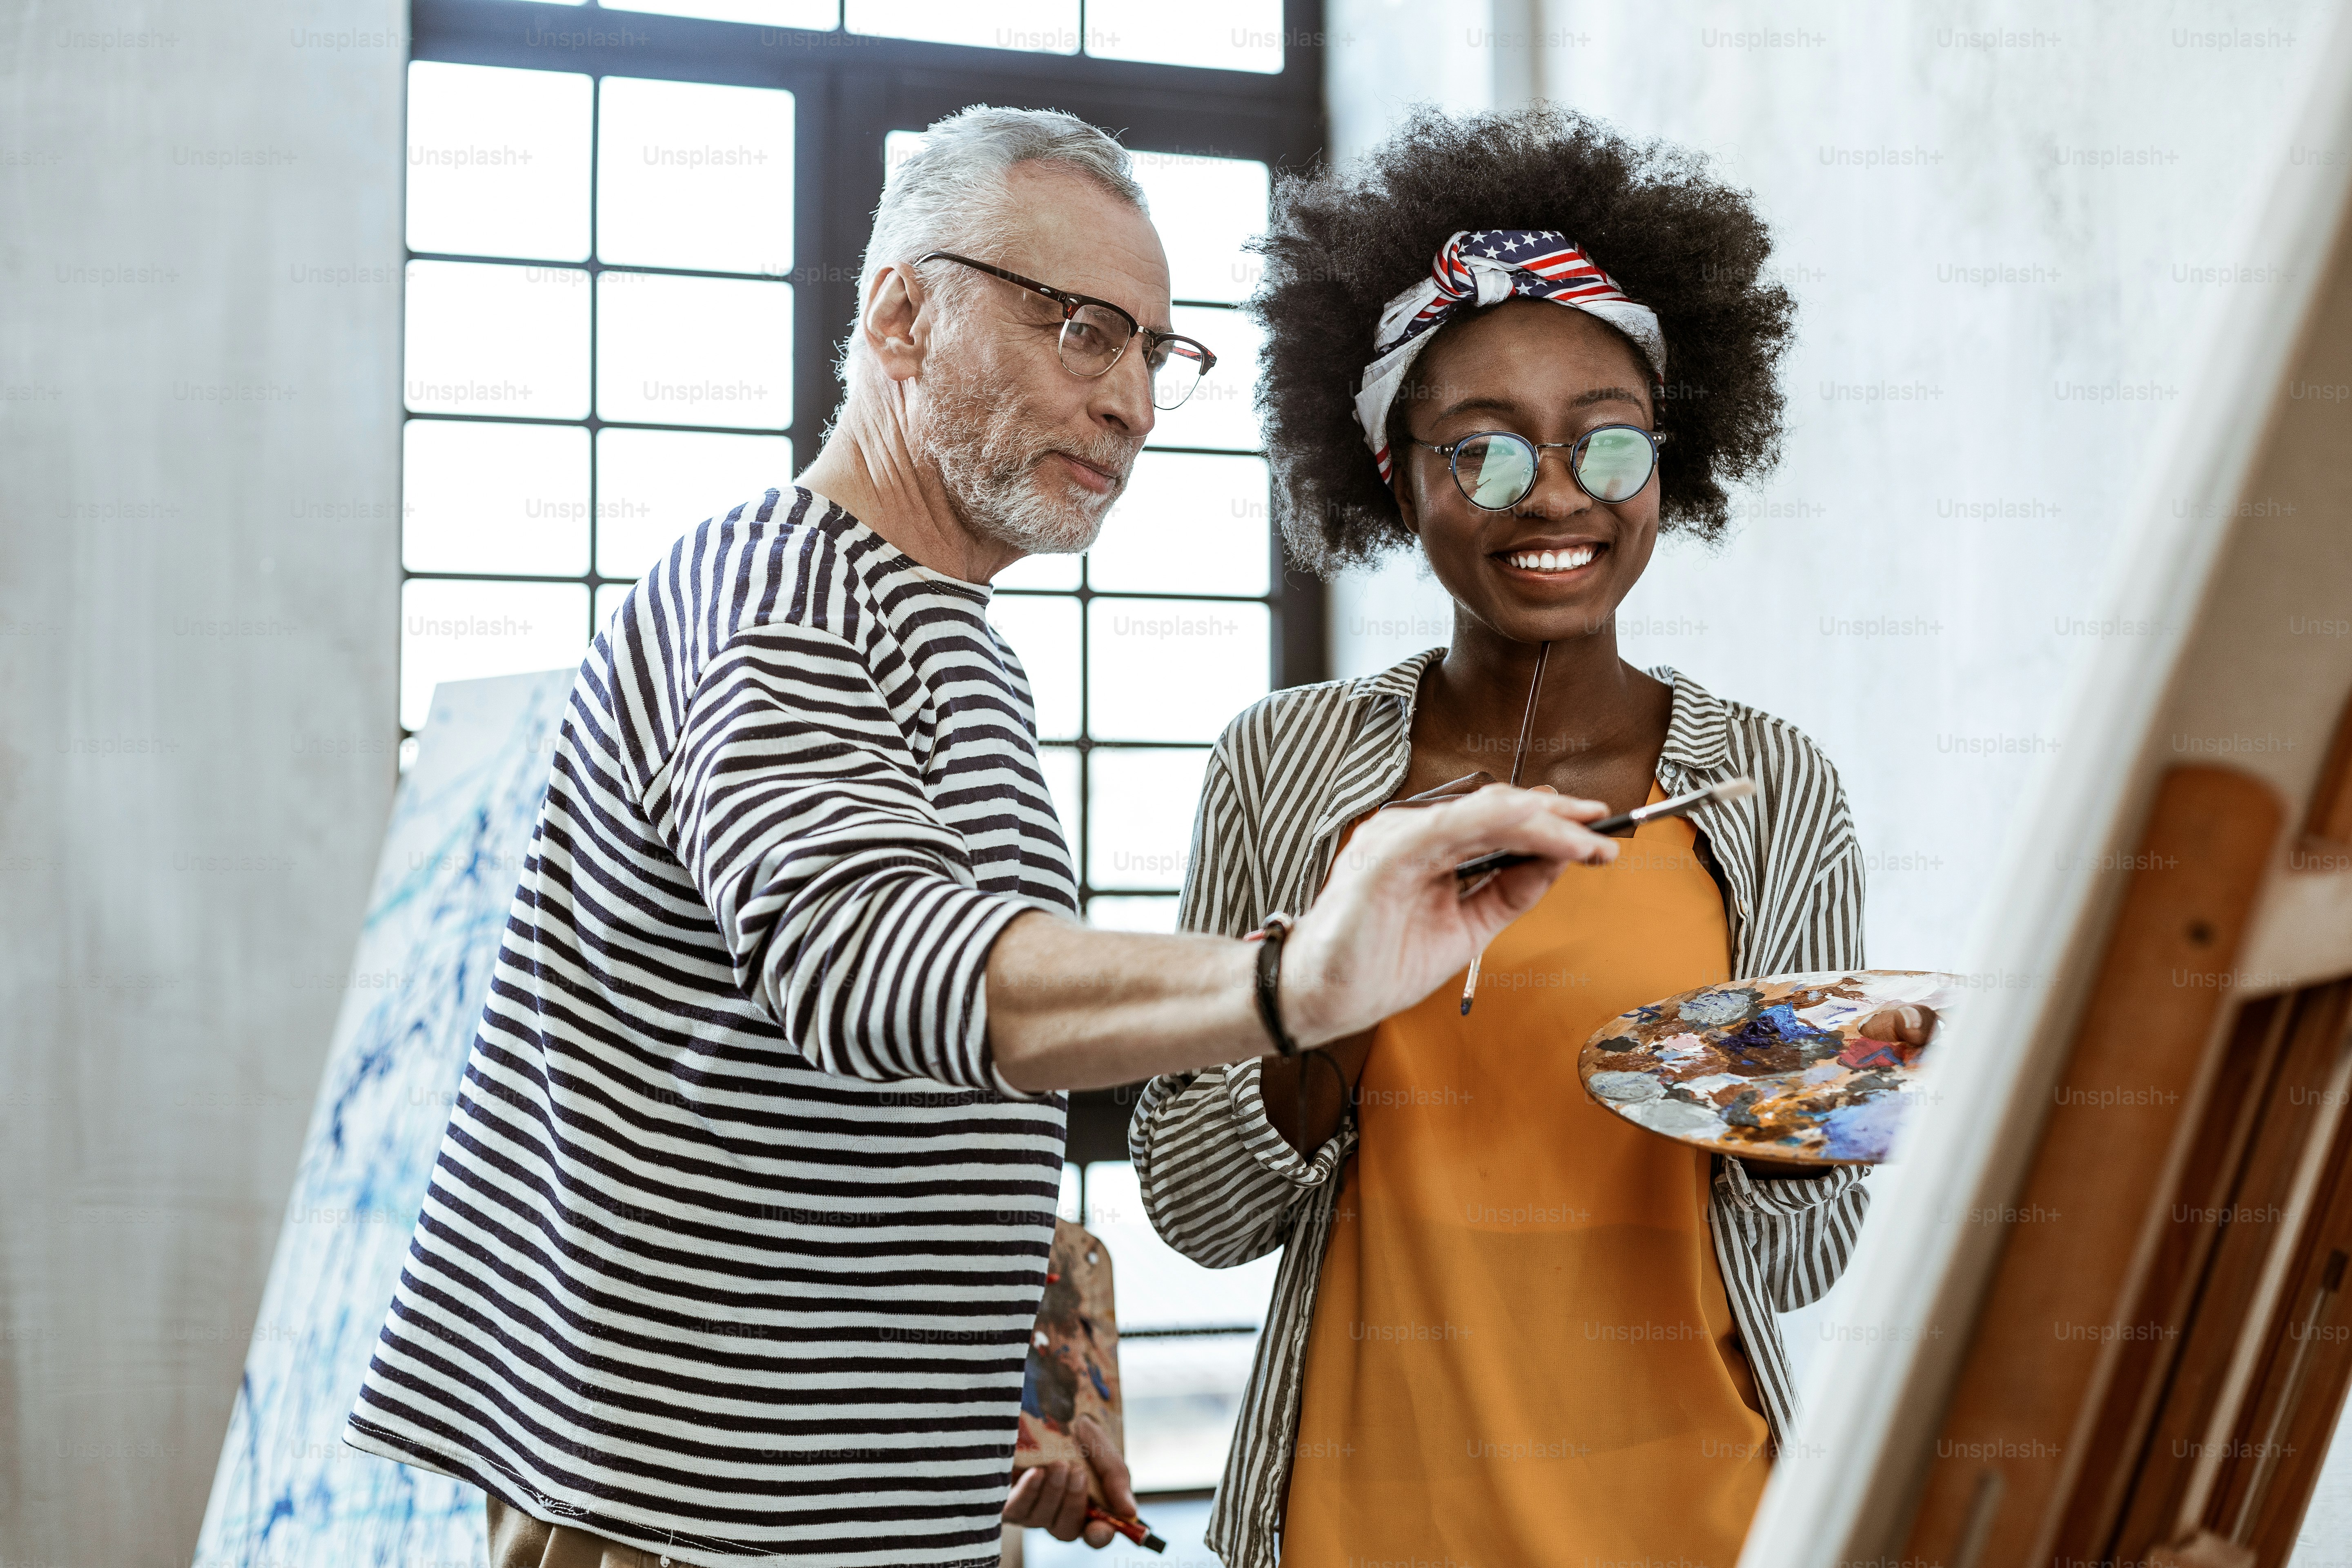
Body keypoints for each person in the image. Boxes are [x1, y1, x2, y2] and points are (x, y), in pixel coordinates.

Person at [341, 105, 1617, 1568]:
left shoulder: (958, 642)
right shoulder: (772, 590)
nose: (1131, 398)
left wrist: (1043, 1368)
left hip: (887, 1509)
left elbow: (943, 1094)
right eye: (1083, 330)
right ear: (901, 315)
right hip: (699, 1518)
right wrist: (1296, 981)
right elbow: (871, 962)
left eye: (1154, 350)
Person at [1130, 105, 1875, 1568]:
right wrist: (1342, 980)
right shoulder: (1282, 772)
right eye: (1478, 455)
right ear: (1392, 477)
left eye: (1605, 444)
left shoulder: (1773, 786)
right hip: (1359, 1525)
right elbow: (1195, 1205)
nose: (1549, 494)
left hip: (1700, 1525)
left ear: (1667, 461)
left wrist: (1820, 1115)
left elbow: (1797, 1261)